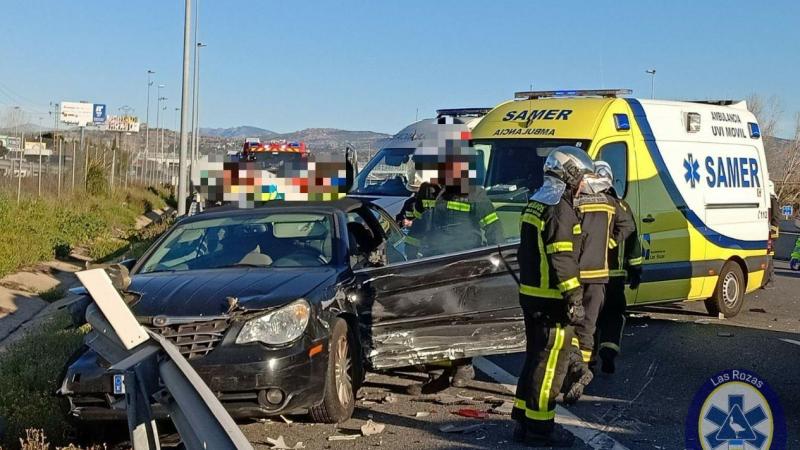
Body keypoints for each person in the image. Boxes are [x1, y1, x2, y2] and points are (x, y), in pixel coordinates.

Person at [404, 141, 504, 393]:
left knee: (459, 317)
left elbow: (493, 229)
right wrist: (409, 254)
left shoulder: (475, 193)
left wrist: (493, 261)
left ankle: (462, 366)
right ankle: (436, 371)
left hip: (465, 266)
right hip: (431, 264)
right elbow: (417, 225)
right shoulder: (427, 192)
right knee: (432, 319)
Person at [512, 146, 595, 447]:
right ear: (570, 175)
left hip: (533, 296)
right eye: (583, 177)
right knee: (550, 369)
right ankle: (540, 430)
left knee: (534, 360)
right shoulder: (560, 209)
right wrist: (574, 298)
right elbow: (562, 259)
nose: (585, 184)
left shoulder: (535, 203)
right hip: (552, 301)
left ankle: (523, 419)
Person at [559, 163, 622, 404]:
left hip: (577, 272)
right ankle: (582, 368)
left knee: (569, 323)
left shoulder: (575, 204)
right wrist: (609, 246)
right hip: (599, 274)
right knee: (588, 326)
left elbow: (570, 236)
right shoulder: (610, 203)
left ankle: (573, 371)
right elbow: (626, 227)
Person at [593, 161, 642, 374]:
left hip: (591, 274)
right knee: (613, 315)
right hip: (615, 276)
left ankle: (588, 358)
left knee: (591, 317)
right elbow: (633, 242)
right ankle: (609, 351)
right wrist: (635, 270)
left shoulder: (588, 205)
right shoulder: (622, 206)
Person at [764, 181, 780, 289]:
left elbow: (775, 218)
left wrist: (772, 234)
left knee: (769, 256)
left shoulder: (772, 200)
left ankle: (770, 280)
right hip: (767, 232)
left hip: (770, 233)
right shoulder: (769, 200)